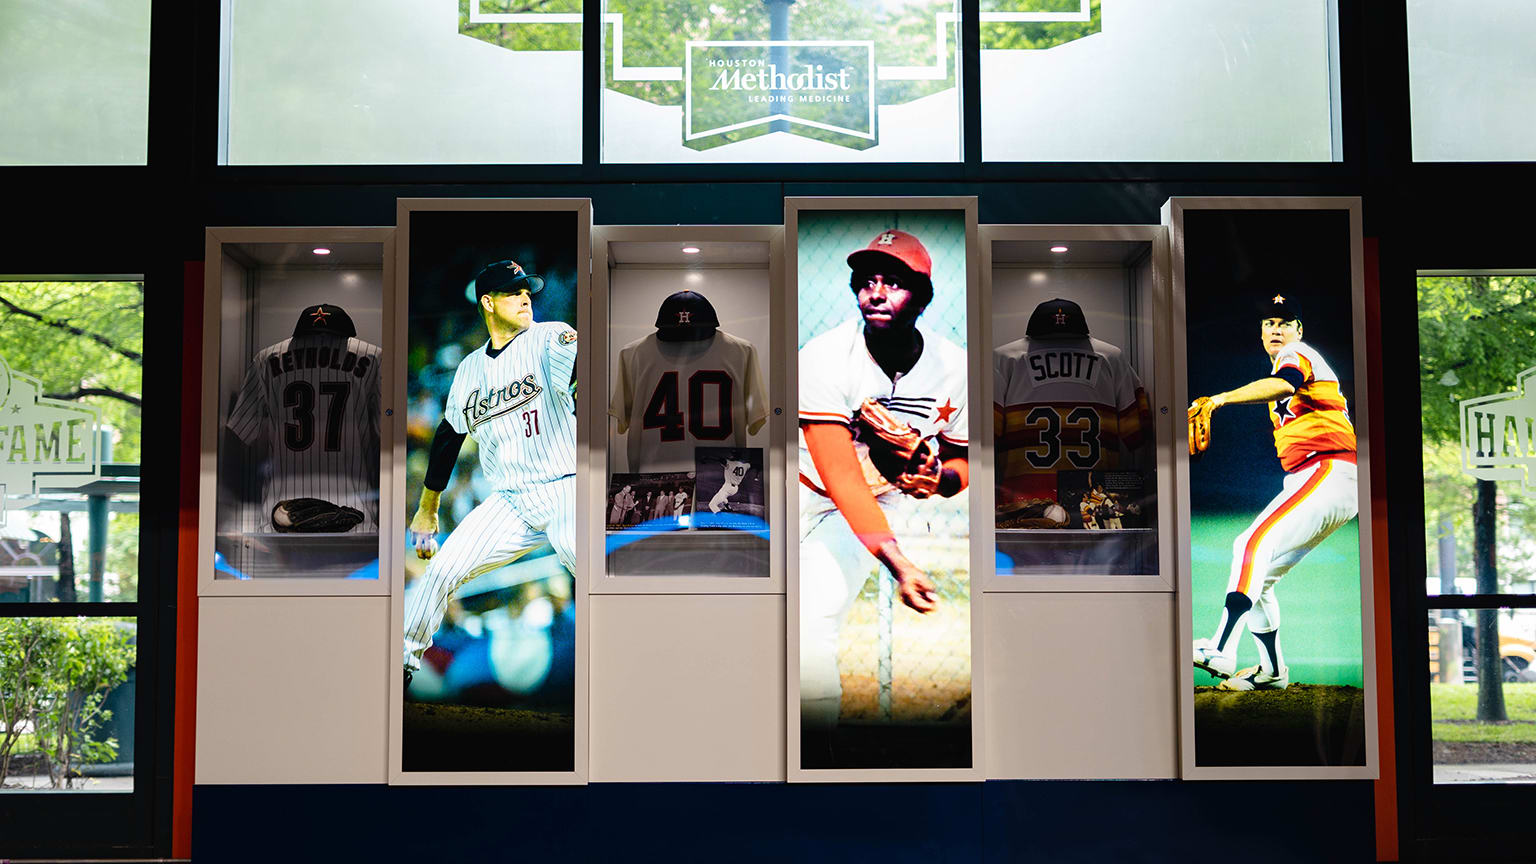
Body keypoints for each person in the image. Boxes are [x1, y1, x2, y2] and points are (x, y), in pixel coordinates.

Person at [797, 229, 970, 741]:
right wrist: (900, 563)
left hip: (854, 514)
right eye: (866, 281)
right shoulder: (826, 356)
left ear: (922, 296)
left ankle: (813, 759)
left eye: (894, 282)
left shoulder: (954, 368)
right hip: (789, 493)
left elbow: (964, 462)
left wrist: (939, 481)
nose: (876, 293)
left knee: (813, 625)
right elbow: (839, 473)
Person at [403, 259, 578, 684]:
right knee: (441, 571)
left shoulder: (551, 336)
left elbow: (578, 373)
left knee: (596, 574)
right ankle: (402, 663)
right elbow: (447, 438)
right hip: (510, 502)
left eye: (526, 290)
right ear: (488, 302)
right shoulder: (469, 369)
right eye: (512, 292)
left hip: (566, 488)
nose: (524, 298)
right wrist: (427, 510)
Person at [1190, 295, 1358, 691]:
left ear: (1299, 331)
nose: (1277, 330)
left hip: (1329, 468)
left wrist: (1219, 399)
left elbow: (1284, 383)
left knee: (1249, 544)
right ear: (1260, 332)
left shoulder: (1298, 354)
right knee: (1260, 578)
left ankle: (1220, 648)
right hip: (1320, 476)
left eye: (1285, 322)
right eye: (1269, 323)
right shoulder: (1285, 361)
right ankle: (1272, 672)